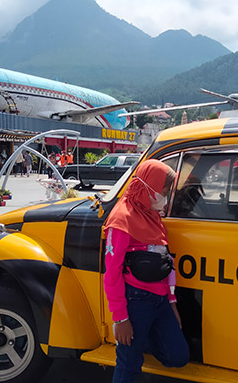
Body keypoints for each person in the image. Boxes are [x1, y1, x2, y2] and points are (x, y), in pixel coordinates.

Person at [103, 159, 189, 383]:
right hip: (135, 300)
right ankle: (136, 337)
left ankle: (143, 334)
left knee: (178, 356)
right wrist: (121, 318)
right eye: (164, 190)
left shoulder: (153, 217)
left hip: (160, 301)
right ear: (148, 186)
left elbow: (166, 261)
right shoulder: (121, 220)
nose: (166, 196)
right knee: (129, 366)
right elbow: (111, 273)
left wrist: (172, 303)